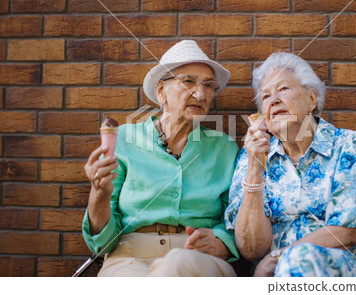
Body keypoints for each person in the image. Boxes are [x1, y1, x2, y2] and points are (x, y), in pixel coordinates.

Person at [83, 40, 239, 276]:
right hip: (129, 258)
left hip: (198, 260)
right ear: (161, 91)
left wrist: (219, 243)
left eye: (209, 85)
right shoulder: (124, 140)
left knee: (175, 266)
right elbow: (102, 244)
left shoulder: (224, 148)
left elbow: (236, 221)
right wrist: (99, 193)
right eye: (188, 81)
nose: (201, 93)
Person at [224, 52, 356, 277]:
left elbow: (350, 230)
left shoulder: (348, 145)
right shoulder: (252, 155)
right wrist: (254, 168)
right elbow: (251, 248)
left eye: (283, 89)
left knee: (300, 259)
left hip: (332, 273)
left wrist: (279, 257)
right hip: (273, 277)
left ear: (311, 99)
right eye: (266, 96)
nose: (274, 100)